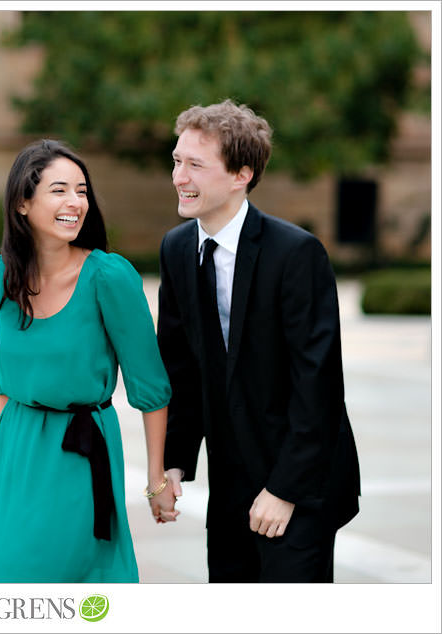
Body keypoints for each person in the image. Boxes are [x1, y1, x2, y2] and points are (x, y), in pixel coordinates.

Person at [157, 100, 361, 582]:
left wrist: (284, 490)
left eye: (195, 165)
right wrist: (171, 464)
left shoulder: (297, 253)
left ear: (240, 175)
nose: (179, 177)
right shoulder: (177, 248)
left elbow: (319, 385)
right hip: (229, 481)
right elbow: (181, 366)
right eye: (176, 161)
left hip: (302, 481)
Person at [0, 139, 176, 582]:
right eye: (59, 190)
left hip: (81, 454)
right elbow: (2, 383)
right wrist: (8, 466)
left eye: (82, 191)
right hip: (16, 451)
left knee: (74, 581)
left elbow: (150, 388)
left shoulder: (109, 276)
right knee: (9, 580)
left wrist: (157, 481)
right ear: (23, 203)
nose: (75, 202)